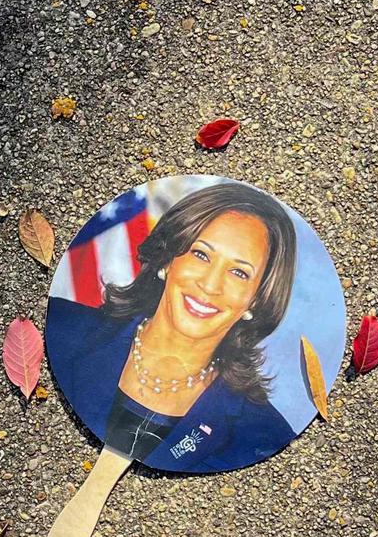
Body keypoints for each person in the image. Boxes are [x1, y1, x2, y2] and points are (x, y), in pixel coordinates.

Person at [47, 182, 299, 474]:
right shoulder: (62, 327)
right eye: (201, 254)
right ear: (167, 259)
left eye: (239, 272)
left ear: (256, 300)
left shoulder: (263, 433)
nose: (210, 285)